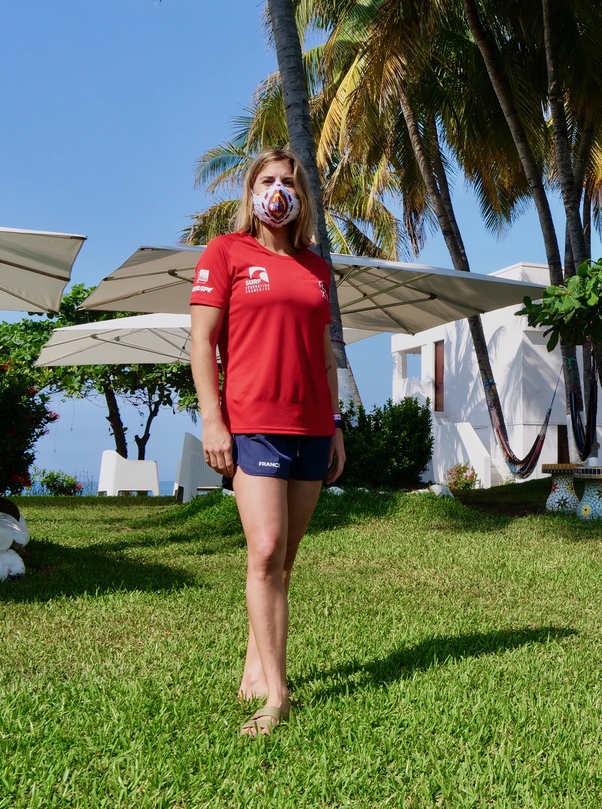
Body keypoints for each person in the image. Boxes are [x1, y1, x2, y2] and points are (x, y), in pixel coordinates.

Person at [190, 148, 346, 736]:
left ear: (301, 198)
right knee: (265, 551)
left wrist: (335, 424)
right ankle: (276, 696)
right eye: (267, 180)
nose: (278, 190)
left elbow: (328, 351)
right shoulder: (227, 252)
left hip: (310, 427)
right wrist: (213, 421)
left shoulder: (315, 267)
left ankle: (257, 666)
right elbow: (201, 343)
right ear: (251, 191)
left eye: (289, 182)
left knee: (285, 559)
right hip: (253, 423)